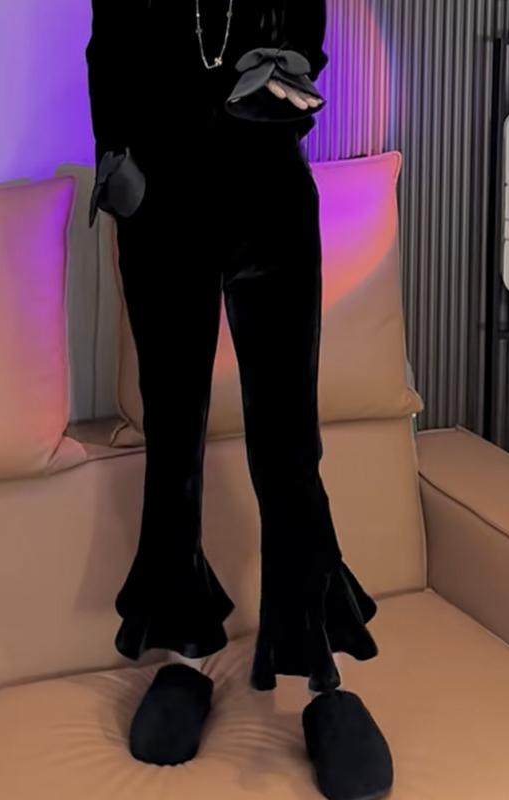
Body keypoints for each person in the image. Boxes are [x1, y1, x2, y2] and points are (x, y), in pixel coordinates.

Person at [86, 2, 393, 798]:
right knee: (174, 443)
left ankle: (323, 679)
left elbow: (309, 46)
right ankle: (186, 655)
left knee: (290, 448)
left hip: (271, 202)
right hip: (160, 210)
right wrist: (116, 155)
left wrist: (283, 77)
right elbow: (108, 55)